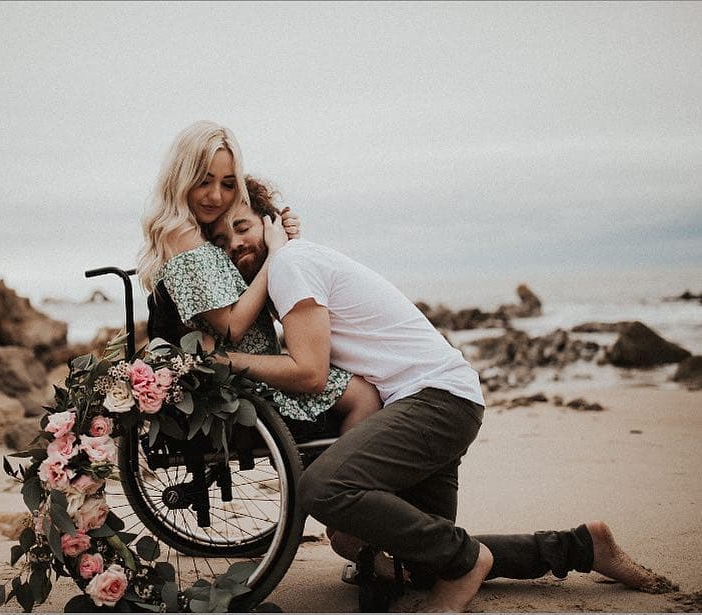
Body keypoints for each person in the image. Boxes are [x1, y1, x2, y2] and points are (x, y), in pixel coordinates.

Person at [209, 180, 678, 612]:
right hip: (440, 399)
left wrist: (222, 362)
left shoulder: (293, 262)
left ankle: (467, 563)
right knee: (431, 555)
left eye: (243, 227)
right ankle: (583, 546)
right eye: (224, 243)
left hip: (434, 401)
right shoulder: (290, 267)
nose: (236, 246)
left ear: (270, 224)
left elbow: (310, 373)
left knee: (323, 490)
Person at [137, 121, 381, 431]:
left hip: (245, 369)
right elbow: (231, 325)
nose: (216, 196)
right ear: (182, 176)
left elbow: (239, 289)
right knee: (364, 397)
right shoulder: (183, 234)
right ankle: (335, 479)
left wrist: (277, 237)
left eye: (227, 184)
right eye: (204, 181)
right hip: (239, 381)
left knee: (353, 386)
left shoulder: (195, 231)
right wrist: (276, 255)